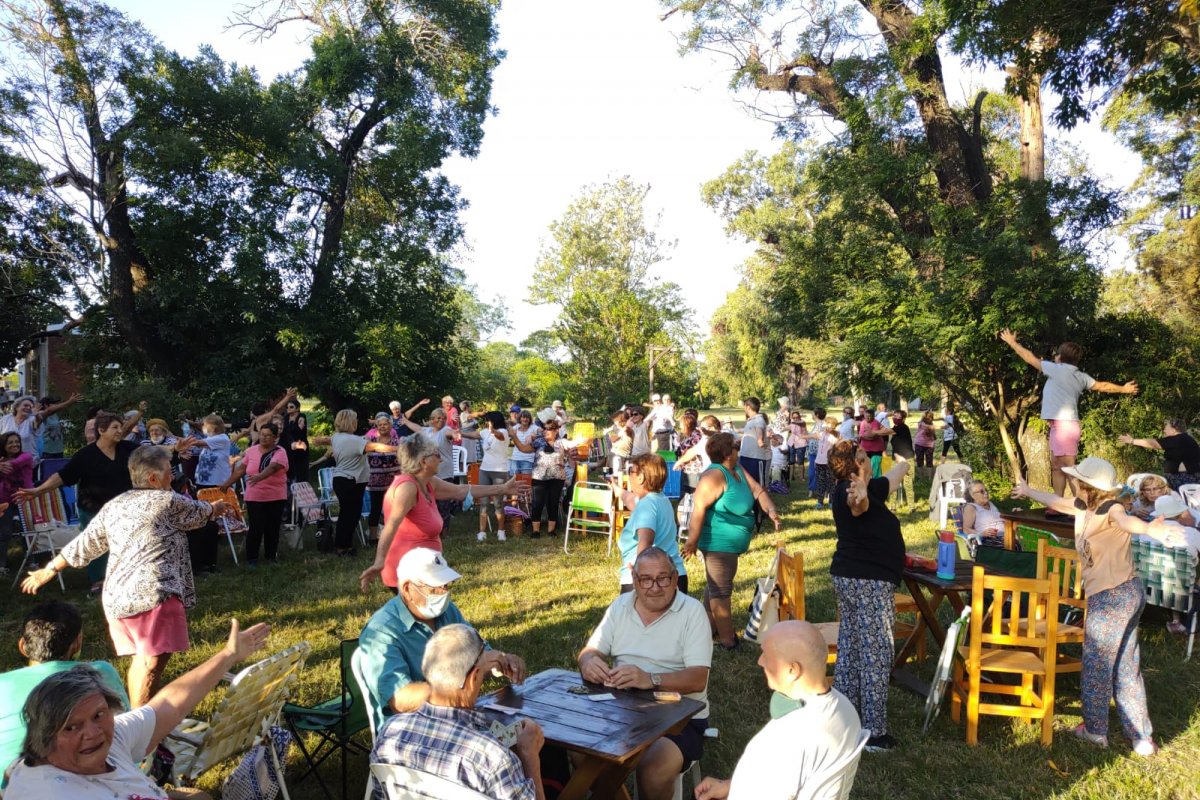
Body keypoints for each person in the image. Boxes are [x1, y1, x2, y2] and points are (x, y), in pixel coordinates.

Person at [22, 445, 233, 707]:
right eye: (170, 471)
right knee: (150, 663)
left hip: (118, 597)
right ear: (154, 478)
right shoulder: (168, 501)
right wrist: (217, 507)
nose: (173, 475)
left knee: (144, 660)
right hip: (154, 593)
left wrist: (49, 569)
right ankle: (142, 730)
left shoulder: (115, 505)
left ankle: (142, 719)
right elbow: (200, 514)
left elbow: (85, 544)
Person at [4, 618, 269, 800]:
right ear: (44, 737)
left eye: (99, 714)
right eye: (71, 727)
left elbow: (169, 705)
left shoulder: (112, 739)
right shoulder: (47, 792)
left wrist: (229, 654)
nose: (93, 732)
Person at [1012, 457, 1161, 756]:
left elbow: (1127, 522)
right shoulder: (1084, 507)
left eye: (1076, 479)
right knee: (1125, 664)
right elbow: (1056, 500)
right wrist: (1028, 491)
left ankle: (1095, 731)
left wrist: (1149, 530)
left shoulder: (1111, 508)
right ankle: (1141, 738)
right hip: (1124, 594)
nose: (1071, 482)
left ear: (1088, 486)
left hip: (1113, 596)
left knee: (1096, 663)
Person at [577, 548, 712, 800]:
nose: (655, 587)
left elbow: (697, 679)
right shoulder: (621, 605)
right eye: (646, 579)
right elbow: (590, 650)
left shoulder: (692, 612)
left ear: (674, 579)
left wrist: (650, 679)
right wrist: (588, 662)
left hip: (680, 717)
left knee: (653, 767)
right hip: (622, 709)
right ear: (635, 580)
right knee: (579, 750)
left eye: (663, 578)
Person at [369, 623, 544, 800]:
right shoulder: (494, 759)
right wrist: (529, 755)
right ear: (473, 678)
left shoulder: (389, 733)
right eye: (482, 673)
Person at [693, 621, 863, 800]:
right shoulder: (845, 708)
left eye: (766, 655)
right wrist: (730, 785)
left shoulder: (789, 738)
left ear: (792, 670)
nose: (760, 661)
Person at [17, 411, 178, 594]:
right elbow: (62, 477)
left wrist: (176, 448)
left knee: (127, 542)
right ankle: (98, 581)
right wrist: (38, 491)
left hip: (124, 508)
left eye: (120, 426)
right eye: (115, 427)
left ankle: (124, 577)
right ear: (101, 430)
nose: (120, 430)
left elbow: (152, 453)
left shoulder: (127, 448)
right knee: (96, 543)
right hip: (93, 507)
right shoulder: (85, 455)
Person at [357, 547, 526, 721]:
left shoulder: (448, 612)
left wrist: (502, 661)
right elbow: (399, 699)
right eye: (435, 588)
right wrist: (453, 690)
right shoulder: (381, 632)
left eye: (445, 585)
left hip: (456, 716)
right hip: (410, 728)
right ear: (407, 589)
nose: (443, 593)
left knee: (523, 731)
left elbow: (479, 655)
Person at [827, 439, 910, 752]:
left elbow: (893, 477)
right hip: (867, 582)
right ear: (853, 465)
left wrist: (904, 459)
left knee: (852, 650)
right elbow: (858, 505)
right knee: (875, 654)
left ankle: (844, 718)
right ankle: (873, 733)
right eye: (863, 457)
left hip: (851, 578)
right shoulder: (852, 491)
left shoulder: (867, 487)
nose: (868, 461)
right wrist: (859, 494)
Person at [360, 438, 523, 593]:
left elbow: (460, 491)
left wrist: (502, 489)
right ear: (423, 461)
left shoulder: (427, 481)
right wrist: (379, 561)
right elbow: (391, 525)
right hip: (409, 573)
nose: (441, 459)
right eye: (437, 455)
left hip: (428, 568)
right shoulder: (407, 488)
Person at [0, 602, 129, 782]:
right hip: (99, 781)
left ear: (22, 646)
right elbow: (125, 724)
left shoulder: (2, 684)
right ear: (77, 643)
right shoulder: (101, 672)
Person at [1001, 329, 1138, 498]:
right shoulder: (1080, 376)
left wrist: (1012, 343)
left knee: (1069, 470)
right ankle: (1058, 503)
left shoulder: (1058, 369)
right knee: (1057, 467)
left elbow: (1030, 359)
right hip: (1061, 426)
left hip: (1064, 427)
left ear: (1060, 357)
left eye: (1056, 355)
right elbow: (1102, 386)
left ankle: (1082, 505)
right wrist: (1123, 389)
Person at [682, 433, 781, 650]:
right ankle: (728, 641)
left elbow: (757, 490)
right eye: (736, 446)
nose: (739, 449)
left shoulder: (736, 469)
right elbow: (698, 509)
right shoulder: (714, 476)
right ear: (728, 454)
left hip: (730, 545)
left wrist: (771, 510)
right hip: (718, 544)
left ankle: (707, 629)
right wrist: (692, 541)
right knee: (721, 591)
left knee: (714, 586)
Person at [312, 409, 398, 556]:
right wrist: (400, 448)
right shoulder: (354, 440)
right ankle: (341, 547)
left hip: (345, 481)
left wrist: (321, 440)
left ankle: (346, 545)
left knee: (351, 514)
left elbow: (329, 439)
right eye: (356, 419)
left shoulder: (338, 437)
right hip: (349, 482)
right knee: (348, 515)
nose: (357, 421)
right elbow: (377, 447)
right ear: (350, 422)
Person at [612, 454, 687, 594]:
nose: (629, 476)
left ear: (640, 477)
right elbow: (630, 499)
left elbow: (645, 542)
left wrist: (638, 572)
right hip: (672, 574)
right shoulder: (661, 500)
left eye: (631, 471)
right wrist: (617, 489)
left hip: (651, 580)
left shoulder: (646, 504)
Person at [220, 421, 289, 566]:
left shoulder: (280, 452)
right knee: (256, 527)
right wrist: (227, 483)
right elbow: (240, 469)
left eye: (268, 436)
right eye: (262, 435)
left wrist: (259, 477)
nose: (264, 438)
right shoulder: (251, 450)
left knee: (272, 528)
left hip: (275, 496)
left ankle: (271, 557)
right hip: (254, 496)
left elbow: (273, 467)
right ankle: (252, 559)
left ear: (275, 438)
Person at [1149, 495, 1200, 635]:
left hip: (1153, 587)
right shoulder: (1190, 533)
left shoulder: (1146, 534)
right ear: (1179, 514)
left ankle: (1176, 620)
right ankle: (1187, 622)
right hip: (1183, 587)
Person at [1118, 419, 1200, 491]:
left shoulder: (1179, 439)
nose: (1164, 430)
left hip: (1184, 479)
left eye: (1166, 428)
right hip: (1182, 477)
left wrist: (1132, 441)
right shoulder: (1184, 439)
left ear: (1174, 429)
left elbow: (1153, 444)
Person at [1, 394, 81, 462]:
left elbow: (41, 419)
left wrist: (36, 415)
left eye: (30, 406)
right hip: (8, 461)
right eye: (25, 405)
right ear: (17, 407)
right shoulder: (5, 419)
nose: (28, 408)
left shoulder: (32, 419)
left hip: (28, 462)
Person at [529, 420, 574, 540]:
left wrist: (584, 440)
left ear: (556, 431)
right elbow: (524, 448)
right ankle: (535, 531)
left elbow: (572, 445)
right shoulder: (538, 441)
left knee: (553, 503)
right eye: (544, 429)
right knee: (537, 503)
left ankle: (551, 531)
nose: (545, 431)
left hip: (557, 477)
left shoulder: (561, 442)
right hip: (539, 477)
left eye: (548, 429)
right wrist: (515, 437)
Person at [365, 413, 403, 544]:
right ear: (376, 426)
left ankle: (393, 535)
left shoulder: (395, 439)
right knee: (375, 508)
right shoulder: (371, 440)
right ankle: (373, 538)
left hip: (393, 480)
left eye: (385, 424)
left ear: (391, 425)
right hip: (375, 480)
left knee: (394, 508)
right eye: (379, 424)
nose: (382, 426)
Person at [477, 411, 513, 542]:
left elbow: (499, 436)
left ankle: (501, 531)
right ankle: (482, 532)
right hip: (484, 470)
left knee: (498, 502)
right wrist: (458, 432)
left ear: (494, 420)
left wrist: (492, 429)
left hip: (499, 470)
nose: (487, 423)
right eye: (486, 421)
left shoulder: (503, 431)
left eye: (489, 420)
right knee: (484, 502)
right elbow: (473, 435)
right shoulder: (485, 431)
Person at [0, 432, 34, 568]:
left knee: (28, 531)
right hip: (4, 501)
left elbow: (15, 464)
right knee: (5, 533)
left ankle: (31, 562)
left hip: (24, 499)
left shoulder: (26, 456)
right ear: (4, 445)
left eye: (17, 441)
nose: (15, 444)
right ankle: (1, 565)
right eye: (10, 442)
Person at [36, 394, 82, 460]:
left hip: (58, 450)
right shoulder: (41, 414)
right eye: (54, 403)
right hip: (47, 452)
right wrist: (69, 402)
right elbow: (50, 410)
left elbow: (59, 408)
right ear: (46, 405)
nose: (56, 405)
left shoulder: (55, 415)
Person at [961, 480, 1004, 548]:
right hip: (989, 541)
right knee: (1016, 546)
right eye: (982, 491)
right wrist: (982, 534)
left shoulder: (990, 504)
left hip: (1005, 536)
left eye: (986, 490)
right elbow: (966, 529)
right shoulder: (971, 507)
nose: (986, 493)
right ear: (973, 495)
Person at [888, 410, 915, 510]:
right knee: (894, 482)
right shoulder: (895, 427)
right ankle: (892, 505)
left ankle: (911, 506)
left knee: (908, 484)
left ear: (903, 418)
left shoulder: (903, 427)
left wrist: (875, 431)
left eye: (897, 416)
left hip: (907, 459)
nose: (894, 417)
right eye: (893, 415)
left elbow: (887, 431)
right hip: (896, 459)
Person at [280, 396, 309, 484]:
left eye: (291, 407)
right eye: (287, 407)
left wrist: (301, 423)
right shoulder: (285, 417)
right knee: (290, 469)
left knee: (300, 470)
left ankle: (302, 488)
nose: (288, 409)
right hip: (289, 447)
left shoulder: (301, 416)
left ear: (298, 408)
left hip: (300, 446)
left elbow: (301, 421)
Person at [857, 407, 892, 478]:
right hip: (865, 448)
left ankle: (876, 482)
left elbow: (873, 437)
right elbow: (861, 434)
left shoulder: (875, 423)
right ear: (864, 416)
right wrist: (862, 436)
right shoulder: (863, 422)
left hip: (876, 449)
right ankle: (866, 481)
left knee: (876, 466)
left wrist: (862, 436)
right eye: (866, 416)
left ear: (873, 416)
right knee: (865, 466)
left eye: (870, 416)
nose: (868, 418)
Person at [813, 416, 840, 509]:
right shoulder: (822, 434)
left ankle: (831, 502)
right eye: (826, 424)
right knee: (820, 482)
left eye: (830, 425)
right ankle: (820, 502)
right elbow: (813, 435)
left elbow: (838, 444)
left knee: (831, 482)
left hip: (829, 462)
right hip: (819, 462)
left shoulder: (835, 435)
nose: (827, 427)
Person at [806, 409, 826, 497]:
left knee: (820, 471)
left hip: (820, 452)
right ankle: (811, 489)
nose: (812, 415)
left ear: (817, 415)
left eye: (813, 413)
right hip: (812, 451)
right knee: (811, 471)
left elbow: (819, 436)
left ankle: (823, 491)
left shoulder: (823, 424)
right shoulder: (816, 424)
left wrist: (805, 436)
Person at [606, 410, 634, 474]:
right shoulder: (620, 430)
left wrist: (627, 424)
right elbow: (613, 439)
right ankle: (609, 479)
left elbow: (614, 439)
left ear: (620, 420)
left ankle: (614, 479)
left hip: (621, 456)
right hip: (614, 454)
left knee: (618, 476)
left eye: (615, 421)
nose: (614, 423)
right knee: (608, 474)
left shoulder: (627, 429)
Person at [913, 410, 937, 480]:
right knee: (919, 461)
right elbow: (927, 427)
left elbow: (933, 434)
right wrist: (941, 427)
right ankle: (921, 478)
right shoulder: (921, 423)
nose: (931, 418)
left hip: (929, 445)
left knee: (929, 462)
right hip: (919, 444)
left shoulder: (931, 423)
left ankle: (930, 478)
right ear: (924, 417)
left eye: (932, 417)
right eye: (929, 417)